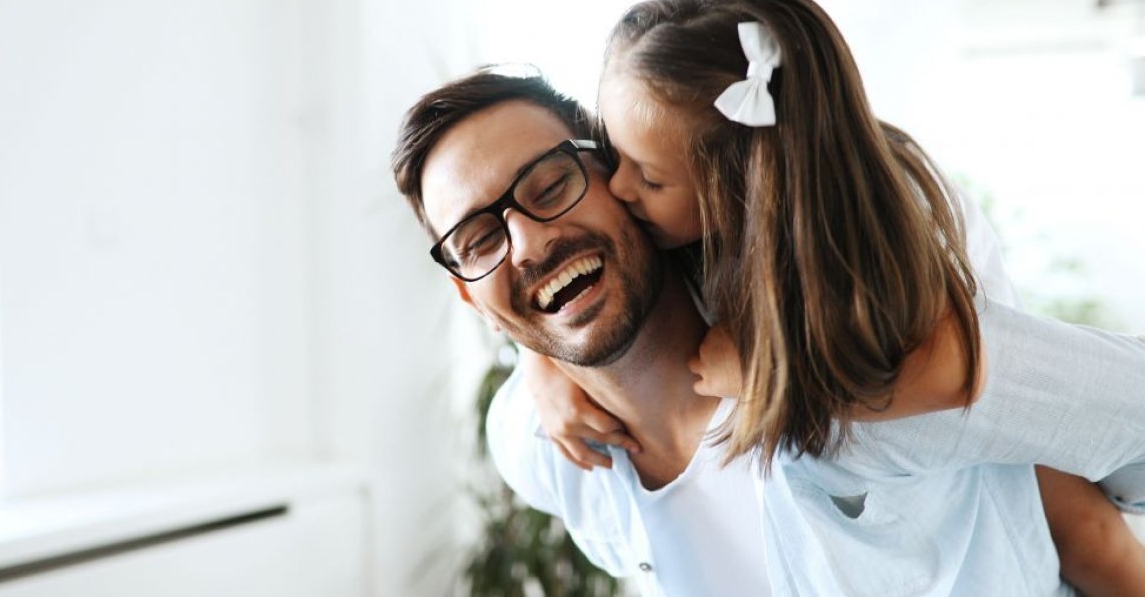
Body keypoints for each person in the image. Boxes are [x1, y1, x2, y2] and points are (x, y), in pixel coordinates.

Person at [521, 0, 1145, 594]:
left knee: (1081, 526)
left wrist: (776, 373)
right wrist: (542, 363)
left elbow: (968, 386)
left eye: (651, 178)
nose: (619, 188)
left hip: (1014, 489)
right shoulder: (697, 230)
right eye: (613, 155)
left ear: (743, 189)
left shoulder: (896, 279)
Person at [390, 69, 1118, 595]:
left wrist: (824, 377)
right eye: (479, 239)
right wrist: (538, 361)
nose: (525, 243)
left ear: (623, 178)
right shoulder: (536, 449)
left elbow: (1106, 445)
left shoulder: (859, 359)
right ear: (468, 295)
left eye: (551, 186)